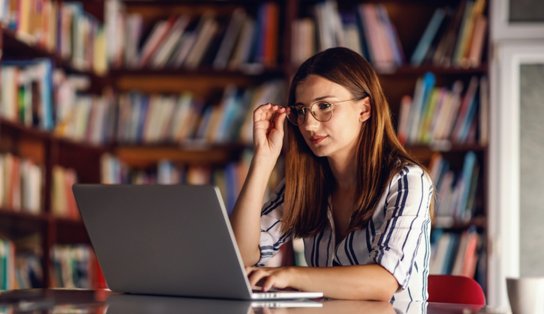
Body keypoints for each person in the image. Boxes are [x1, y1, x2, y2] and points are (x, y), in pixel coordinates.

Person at [230, 47, 433, 302]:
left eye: (324, 106)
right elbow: (240, 255)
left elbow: (384, 282)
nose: (309, 124)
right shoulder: (305, 183)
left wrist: (291, 275)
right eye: (301, 110)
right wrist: (262, 160)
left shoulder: (407, 181)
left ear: (365, 110)